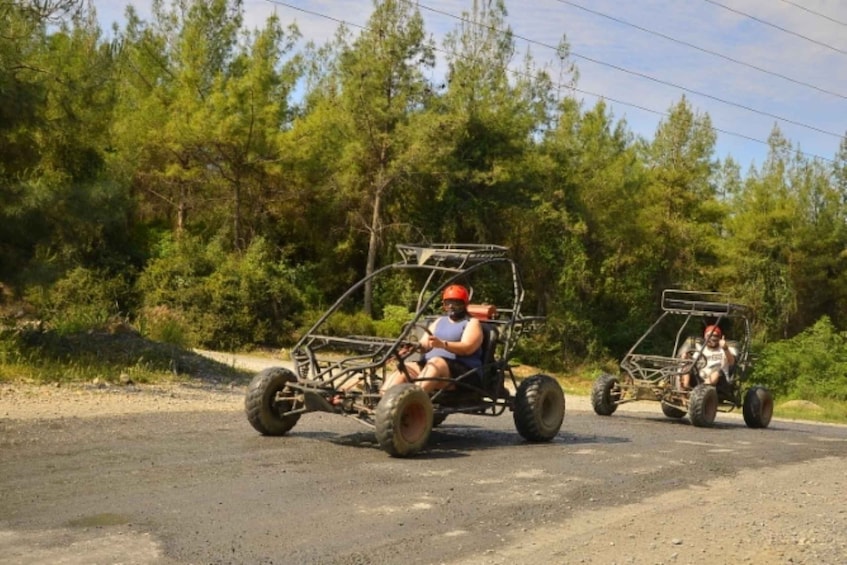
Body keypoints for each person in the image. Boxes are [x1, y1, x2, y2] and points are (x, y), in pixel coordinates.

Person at [381, 284, 483, 393]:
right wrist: (414, 347)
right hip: (431, 367)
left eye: (456, 303)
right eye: (448, 303)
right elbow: (425, 344)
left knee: (436, 362)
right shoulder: (439, 321)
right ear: (444, 304)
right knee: (405, 367)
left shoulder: (471, 322)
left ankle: (413, 398)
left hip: (462, 373)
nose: (452, 307)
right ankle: (382, 400)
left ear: (464, 304)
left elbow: (467, 348)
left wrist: (443, 344)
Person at [680, 325, 735, 390]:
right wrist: (687, 357)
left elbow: (732, 362)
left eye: (715, 336)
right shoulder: (701, 349)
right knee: (688, 366)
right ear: (705, 337)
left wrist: (725, 348)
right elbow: (693, 362)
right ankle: (685, 389)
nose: (712, 338)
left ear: (719, 337)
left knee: (717, 369)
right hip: (701, 379)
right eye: (709, 336)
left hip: (720, 382)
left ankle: (702, 390)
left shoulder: (725, 349)